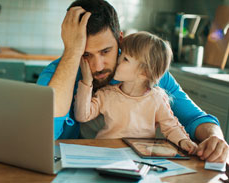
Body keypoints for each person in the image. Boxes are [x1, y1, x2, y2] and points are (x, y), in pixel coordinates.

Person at [36, 0, 228, 162]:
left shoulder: (144, 71)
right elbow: (42, 134)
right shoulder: (56, 73)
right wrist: (72, 52)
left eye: (105, 51)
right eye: (85, 54)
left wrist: (214, 138)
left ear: (120, 40)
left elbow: (195, 118)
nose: (98, 66)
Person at [74, 32, 197, 154]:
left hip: (139, 158)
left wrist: (183, 141)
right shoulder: (106, 94)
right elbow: (82, 116)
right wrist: (86, 81)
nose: (117, 61)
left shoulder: (157, 98)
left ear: (145, 73)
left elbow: (171, 127)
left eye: (125, 59)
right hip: (106, 153)